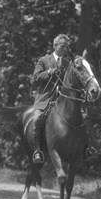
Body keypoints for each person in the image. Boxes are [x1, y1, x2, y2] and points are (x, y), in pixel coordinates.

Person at [30, 34, 73, 164]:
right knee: (37, 119)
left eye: (66, 47)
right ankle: (37, 151)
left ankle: (83, 149)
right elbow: (35, 78)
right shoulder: (43, 60)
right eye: (62, 46)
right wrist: (49, 72)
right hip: (45, 98)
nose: (65, 49)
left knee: (81, 118)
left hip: (63, 99)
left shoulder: (67, 63)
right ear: (55, 45)